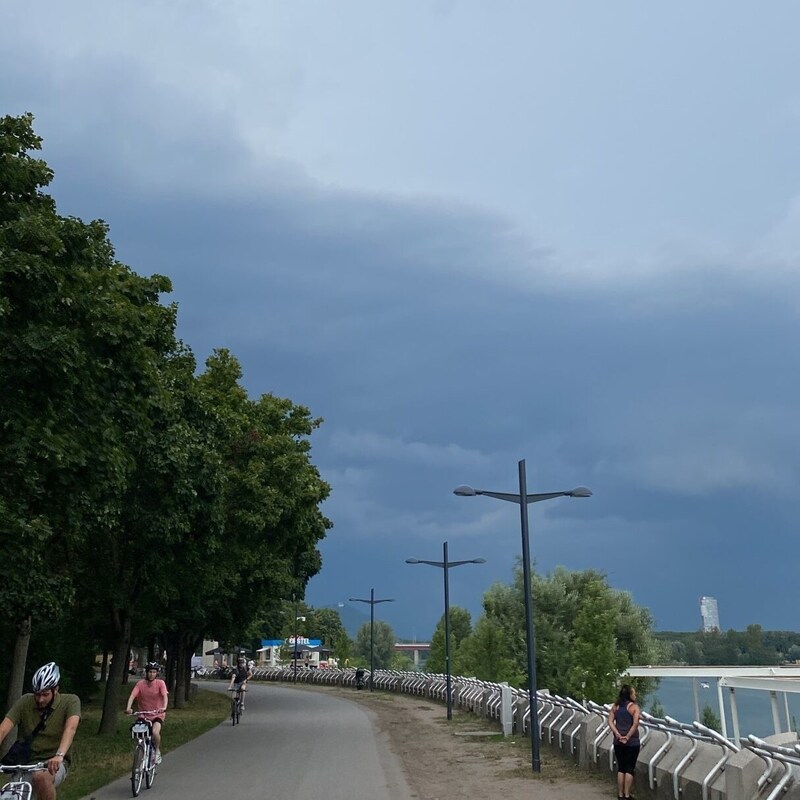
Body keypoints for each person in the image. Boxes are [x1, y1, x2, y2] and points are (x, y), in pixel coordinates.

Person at [0, 661, 81, 800]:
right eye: (37, 694)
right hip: (24, 763)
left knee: (41, 778)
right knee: (8, 796)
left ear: (56, 689)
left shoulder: (70, 701)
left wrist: (59, 755)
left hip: (52, 762)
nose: (40, 699)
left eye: (45, 694)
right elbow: (3, 728)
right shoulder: (25, 701)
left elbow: (71, 728)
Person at [126, 661, 168, 765]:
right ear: (146, 672)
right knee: (139, 734)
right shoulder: (140, 684)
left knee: (154, 732)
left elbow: (164, 696)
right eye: (150, 672)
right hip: (143, 714)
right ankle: (141, 751)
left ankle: (157, 751)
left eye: (154, 672)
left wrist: (164, 707)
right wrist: (128, 708)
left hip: (157, 714)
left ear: (157, 673)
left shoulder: (160, 683)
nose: (151, 674)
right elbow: (132, 696)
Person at [607, 684, 641, 800]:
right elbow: (635, 724)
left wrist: (617, 734)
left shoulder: (615, 706)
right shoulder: (634, 707)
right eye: (634, 693)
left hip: (617, 742)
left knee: (621, 767)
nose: (635, 695)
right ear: (630, 695)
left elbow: (610, 721)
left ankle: (620, 795)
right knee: (630, 768)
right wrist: (627, 736)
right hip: (632, 742)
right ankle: (627, 795)